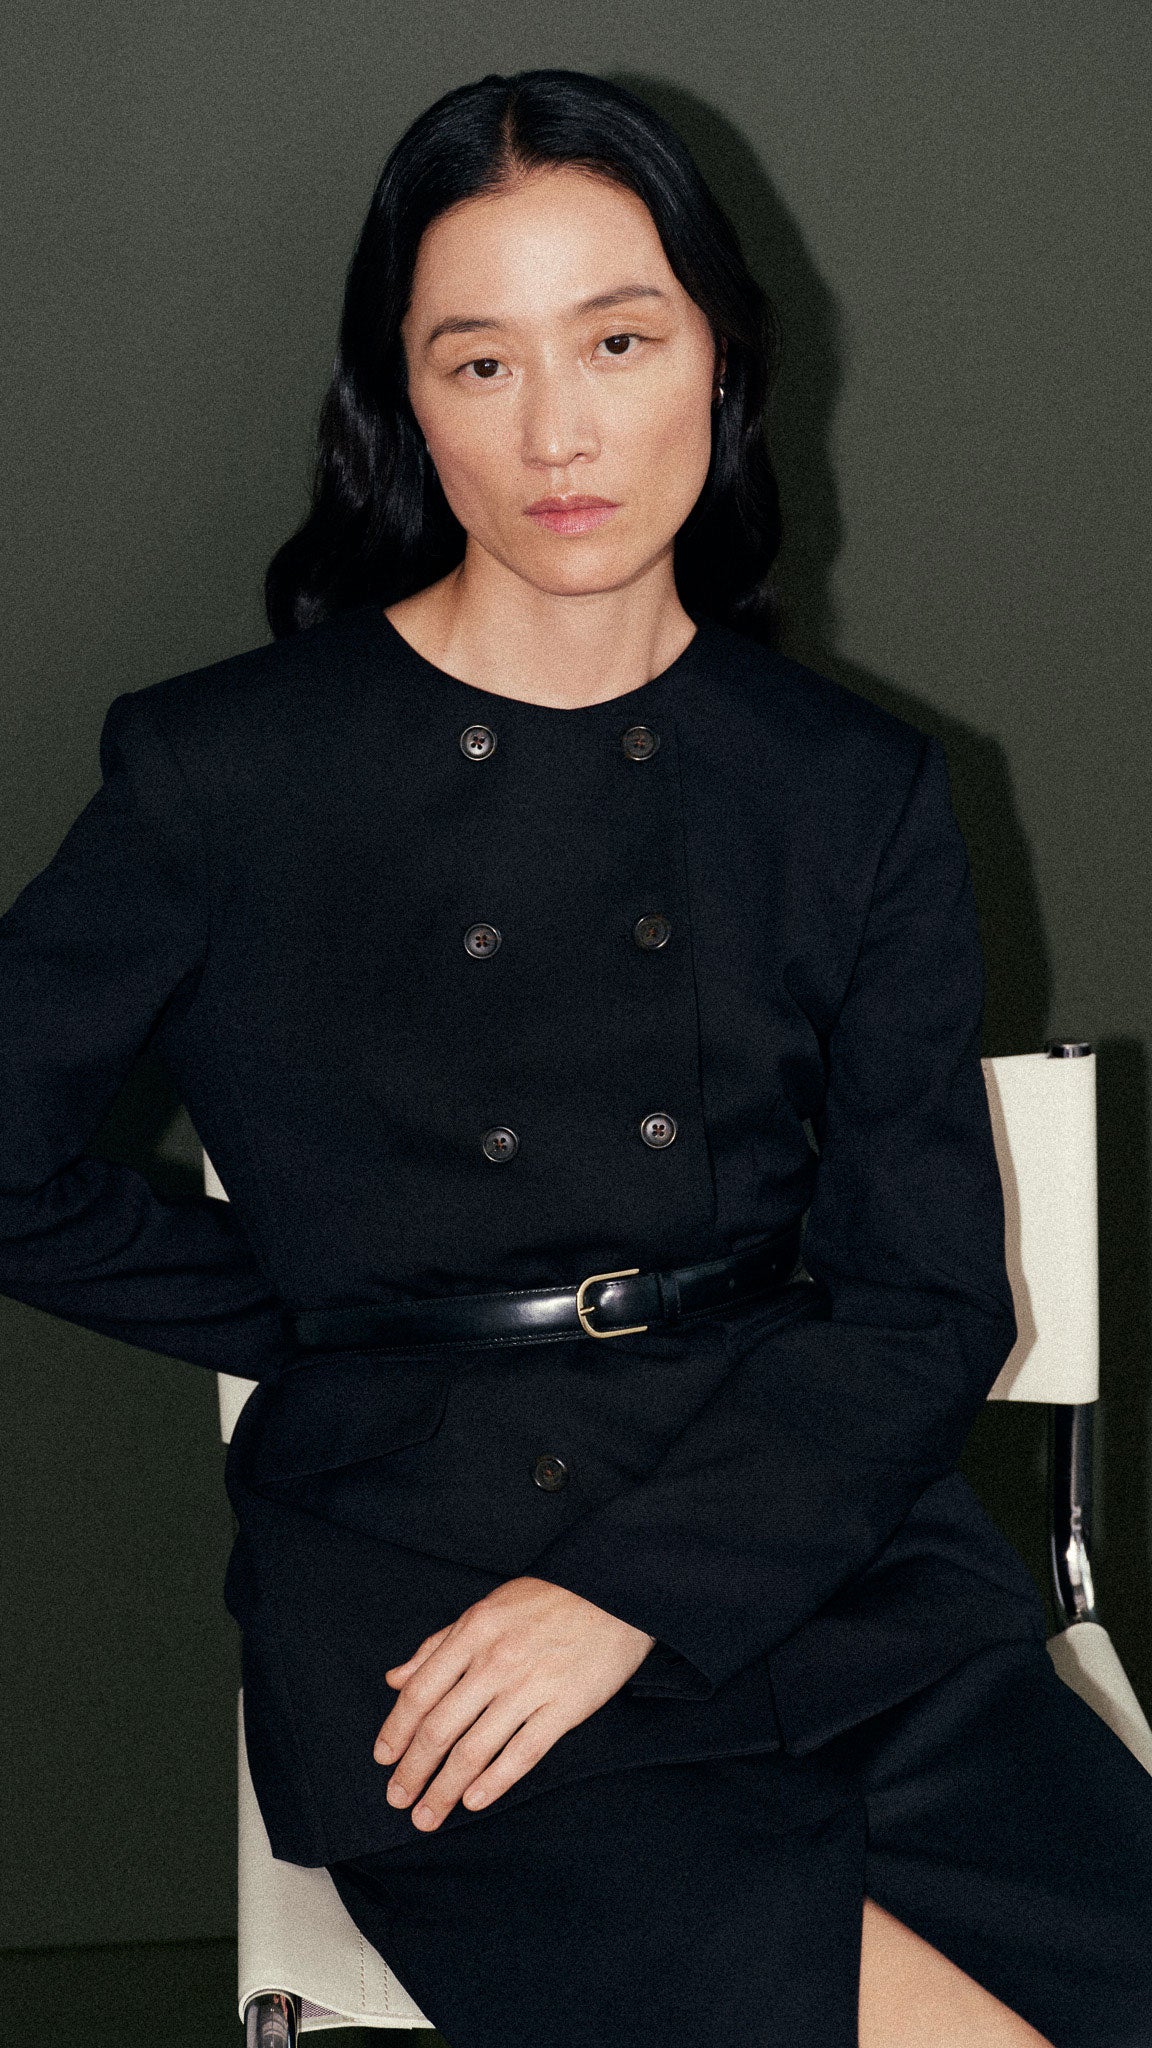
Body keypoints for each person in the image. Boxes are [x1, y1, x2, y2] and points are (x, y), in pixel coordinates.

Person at [3, 64, 1151, 2048]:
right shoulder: (229, 772)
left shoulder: (851, 788)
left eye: (618, 340)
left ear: (721, 358)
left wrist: (635, 1589)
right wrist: (324, 1313)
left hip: (831, 1570)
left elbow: (923, 1299)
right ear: (402, 403)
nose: (558, 433)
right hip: (443, 1633)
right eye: (479, 362)